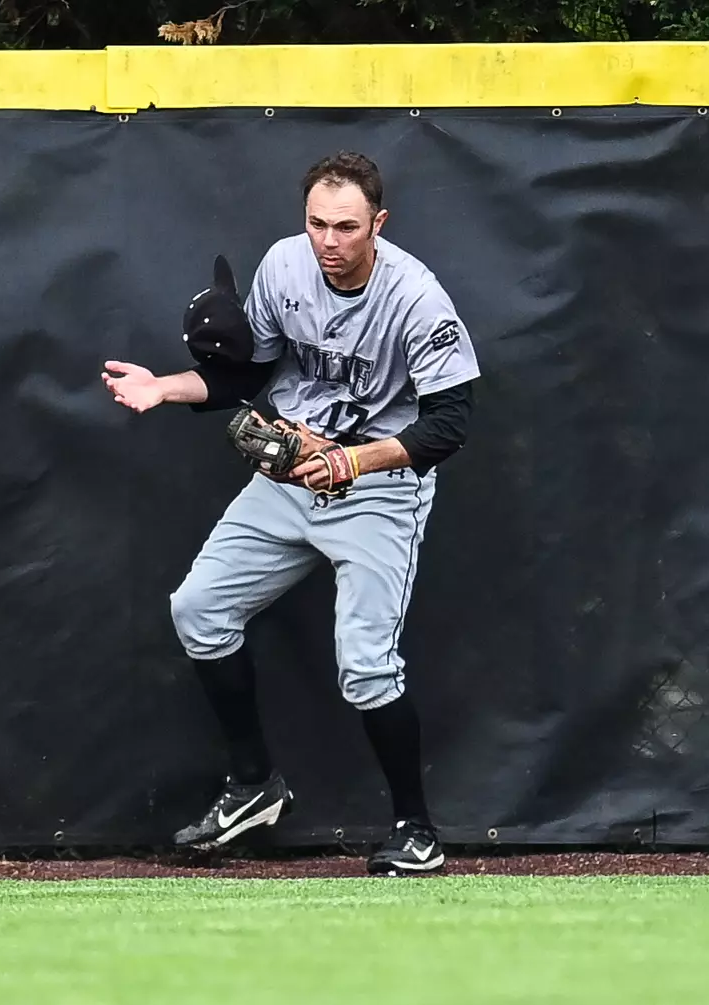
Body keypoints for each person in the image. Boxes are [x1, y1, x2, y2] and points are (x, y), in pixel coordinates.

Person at [101, 151, 479, 875]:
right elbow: (245, 372)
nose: (329, 241)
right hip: (289, 478)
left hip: (377, 488)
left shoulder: (416, 299)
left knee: (366, 669)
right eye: (317, 223)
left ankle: (417, 830)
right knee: (198, 610)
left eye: (346, 226)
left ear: (379, 223)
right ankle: (253, 787)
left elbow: (447, 427)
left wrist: (350, 461)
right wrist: (165, 387)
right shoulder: (284, 266)